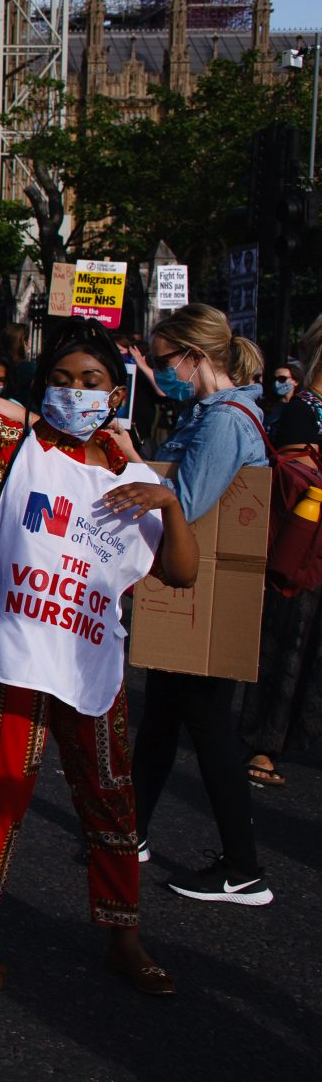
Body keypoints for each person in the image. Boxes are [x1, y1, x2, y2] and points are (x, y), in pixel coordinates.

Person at [0, 263, 197, 996]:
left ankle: (123, 936)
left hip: (91, 664)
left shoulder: (125, 462)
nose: (76, 391)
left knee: (111, 797)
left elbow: (183, 573)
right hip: (13, 655)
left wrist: (166, 505)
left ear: (115, 395)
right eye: (63, 377)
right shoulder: (12, 439)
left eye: (91, 380)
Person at [129, 304, 273, 905]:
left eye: (165, 361)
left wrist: (129, 455)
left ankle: (243, 870)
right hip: (196, 590)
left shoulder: (223, 422)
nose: (162, 372)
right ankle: (128, 832)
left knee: (208, 725)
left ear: (196, 356)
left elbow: (181, 504)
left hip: (206, 592)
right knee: (164, 712)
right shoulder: (214, 413)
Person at [243, 319, 322, 789]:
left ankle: (287, 736)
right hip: (302, 543)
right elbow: (298, 476)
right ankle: (264, 742)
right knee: (288, 640)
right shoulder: (303, 411)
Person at [264, 360, 299, 432]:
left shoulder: (302, 407)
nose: (276, 383)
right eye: (274, 379)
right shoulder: (265, 406)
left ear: (295, 381)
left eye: (282, 379)